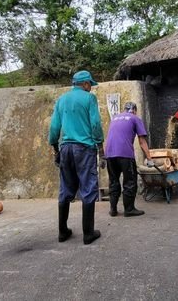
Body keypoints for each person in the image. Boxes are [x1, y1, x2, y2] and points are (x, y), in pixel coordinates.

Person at [49, 70, 104, 245]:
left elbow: (54, 126)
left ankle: (62, 232)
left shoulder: (61, 100)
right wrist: (100, 145)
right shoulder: (89, 99)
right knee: (88, 187)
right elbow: (95, 124)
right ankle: (88, 233)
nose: (90, 89)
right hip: (84, 148)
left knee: (65, 189)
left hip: (65, 148)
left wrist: (55, 148)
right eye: (90, 86)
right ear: (86, 84)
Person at [105, 102, 154, 217]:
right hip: (125, 154)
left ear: (124, 109)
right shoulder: (135, 118)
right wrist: (149, 159)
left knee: (113, 181)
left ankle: (113, 209)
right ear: (135, 110)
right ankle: (129, 209)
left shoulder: (115, 118)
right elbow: (142, 141)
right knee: (130, 181)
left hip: (110, 154)